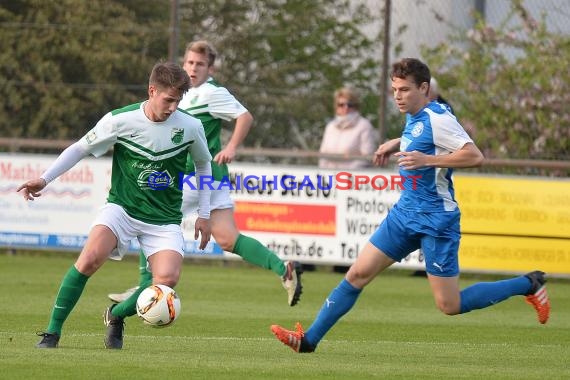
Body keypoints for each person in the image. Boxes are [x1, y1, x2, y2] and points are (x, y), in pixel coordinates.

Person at [270, 58, 551, 353]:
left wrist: (427, 160)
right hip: (405, 214)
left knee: (449, 305)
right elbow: (422, 137)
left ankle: (528, 284)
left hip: (437, 220)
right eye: (394, 90)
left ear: (424, 88)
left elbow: (474, 156)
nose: (398, 96)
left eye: (404, 90)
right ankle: (308, 341)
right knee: (357, 275)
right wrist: (396, 142)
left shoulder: (439, 118)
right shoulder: (415, 115)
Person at [19, 62, 213, 349]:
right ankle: (52, 333)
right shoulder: (119, 120)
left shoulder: (190, 126)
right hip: (121, 209)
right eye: (168, 99)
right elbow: (79, 148)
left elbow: (203, 164)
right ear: (152, 91)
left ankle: (116, 315)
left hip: (163, 219)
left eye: (179, 100)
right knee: (89, 259)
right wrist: (45, 179)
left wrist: (204, 214)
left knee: (166, 281)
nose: (173, 107)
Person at [107, 40, 302, 314]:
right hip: (214, 179)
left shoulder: (211, 93)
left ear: (210, 68)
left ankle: (143, 285)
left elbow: (245, 117)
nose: (193, 68)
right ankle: (284, 270)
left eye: (199, 64)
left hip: (191, 177)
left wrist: (232, 146)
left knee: (152, 216)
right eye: (189, 63)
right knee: (228, 238)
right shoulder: (182, 93)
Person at [318, 87, 378, 169]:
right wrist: (324, 172)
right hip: (329, 177)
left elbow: (367, 156)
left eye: (350, 105)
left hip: (353, 177)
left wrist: (347, 173)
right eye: (341, 105)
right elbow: (323, 155)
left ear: (356, 106)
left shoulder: (364, 125)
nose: (345, 108)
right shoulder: (330, 126)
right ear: (336, 107)